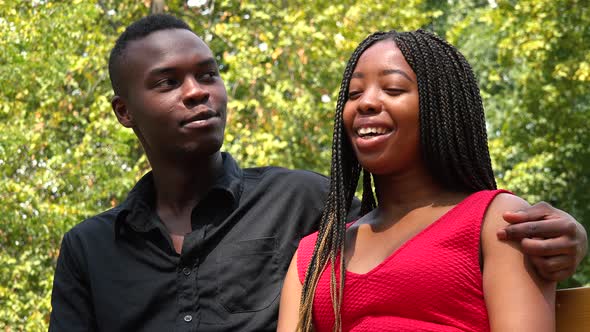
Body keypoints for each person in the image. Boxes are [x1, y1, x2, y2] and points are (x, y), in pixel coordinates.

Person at [49, 14, 586, 332]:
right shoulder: (89, 249)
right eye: (167, 82)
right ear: (124, 112)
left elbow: (424, 233)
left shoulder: (306, 204)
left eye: (208, 74)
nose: (196, 91)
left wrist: (567, 233)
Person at [278, 30, 570, 332]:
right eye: (353, 94)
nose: (366, 103)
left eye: (392, 89)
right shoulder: (315, 255)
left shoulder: (498, 221)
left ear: (442, 106)